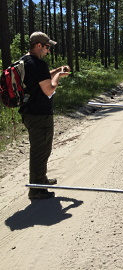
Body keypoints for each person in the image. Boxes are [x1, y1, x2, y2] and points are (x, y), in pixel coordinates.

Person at [20, 31, 70, 200]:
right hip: (40, 114)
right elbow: (49, 88)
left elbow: (39, 78)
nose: (48, 51)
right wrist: (57, 77)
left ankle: (41, 179)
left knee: (40, 149)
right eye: (47, 47)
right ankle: (36, 190)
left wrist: (57, 71)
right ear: (39, 45)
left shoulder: (24, 61)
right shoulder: (38, 64)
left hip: (28, 113)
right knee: (40, 151)